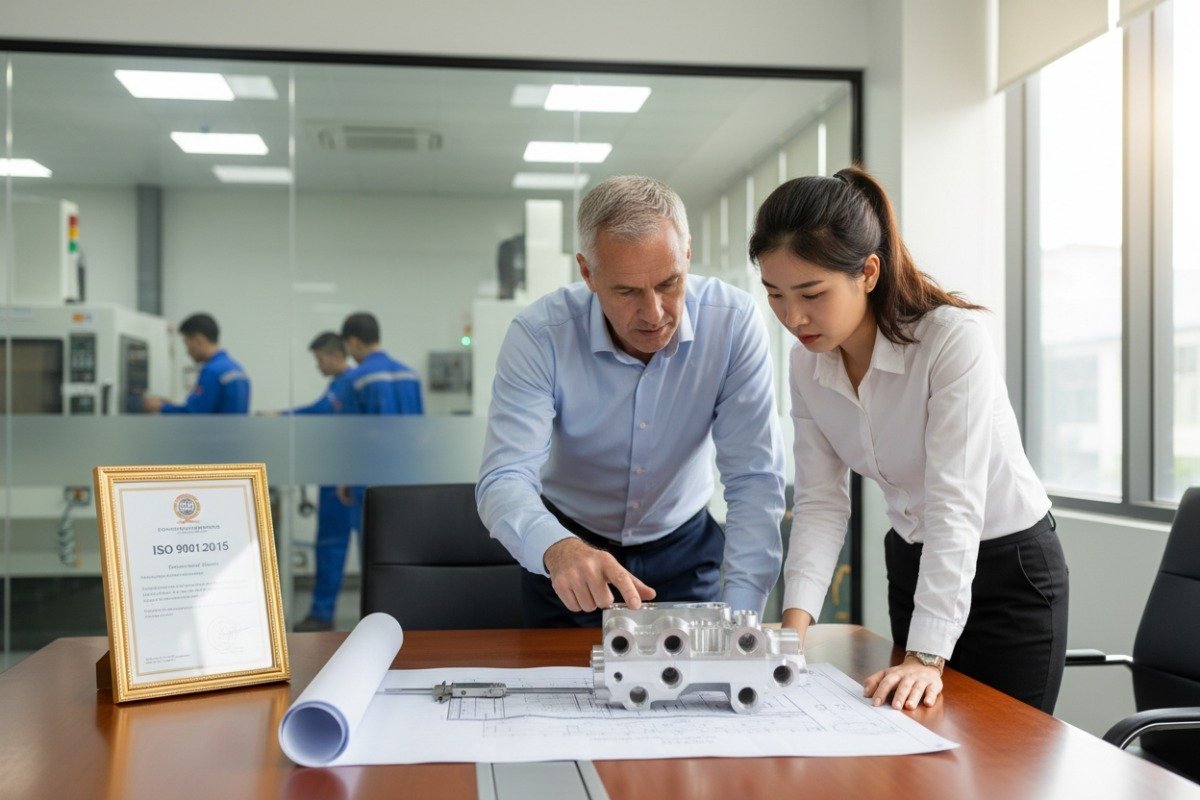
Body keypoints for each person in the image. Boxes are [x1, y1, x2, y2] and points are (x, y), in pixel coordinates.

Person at [750, 166, 1068, 713]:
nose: (792, 317)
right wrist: (793, 629)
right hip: (914, 561)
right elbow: (822, 503)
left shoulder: (950, 341)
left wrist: (925, 655)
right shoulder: (807, 367)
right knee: (920, 744)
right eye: (775, 295)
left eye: (811, 293)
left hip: (1008, 571)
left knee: (1005, 763)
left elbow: (955, 503)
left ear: (868, 272)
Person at [477, 175, 785, 628]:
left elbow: (754, 479)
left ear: (687, 254)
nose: (655, 313)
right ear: (588, 273)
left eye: (668, 283)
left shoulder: (734, 324)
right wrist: (555, 548)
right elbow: (504, 476)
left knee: (698, 694)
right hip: (571, 552)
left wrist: (742, 621)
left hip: (684, 548)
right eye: (626, 291)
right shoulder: (540, 336)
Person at [288, 332, 361, 632]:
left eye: (319, 359)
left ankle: (326, 613)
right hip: (339, 475)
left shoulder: (351, 384)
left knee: (334, 547)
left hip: (348, 479)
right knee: (330, 546)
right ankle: (322, 612)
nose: (318, 365)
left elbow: (320, 412)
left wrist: (282, 415)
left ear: (334, 355)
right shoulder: (338, 386)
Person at [142, 312, 250, 414]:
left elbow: (193, 415)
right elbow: (209, 409)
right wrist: (171, 405)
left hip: (215, 434)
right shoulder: (237, 369)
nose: (187, 351)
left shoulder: (212, 371)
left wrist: (160, 407)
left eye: (186, 344)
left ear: (198, 340)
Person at [339, 313, 424, 415]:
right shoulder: (411, 375)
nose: (350, 353)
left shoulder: (354, 380)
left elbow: (348, 426)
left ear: (353, 342)